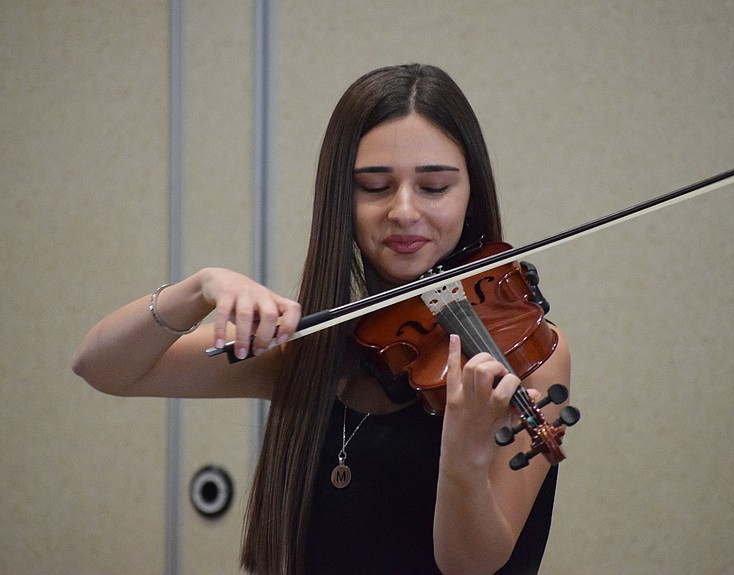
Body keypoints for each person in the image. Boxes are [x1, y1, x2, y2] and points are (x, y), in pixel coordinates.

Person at [73, 63, 571, 575]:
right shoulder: (316, 351)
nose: (403, 210)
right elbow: (101, 366)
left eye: (435, 187)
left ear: (470, 193)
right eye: (375, 186)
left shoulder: (530, 353)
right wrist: (201, 288)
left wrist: (466, 454)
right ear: (342, 199)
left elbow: (470, 564)